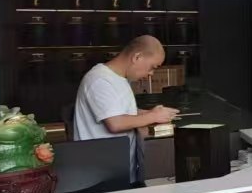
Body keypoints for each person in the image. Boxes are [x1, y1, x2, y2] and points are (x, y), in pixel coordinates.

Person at [72, 36, 177, 180]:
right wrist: (153, 116)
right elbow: (115, 123)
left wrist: (150, 112)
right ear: (137, 57)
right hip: (100, 175)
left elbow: (122, 111)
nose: (151, 74)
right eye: (152, 67)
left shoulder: (119, 79)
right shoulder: (100, 80)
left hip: (117, 169)